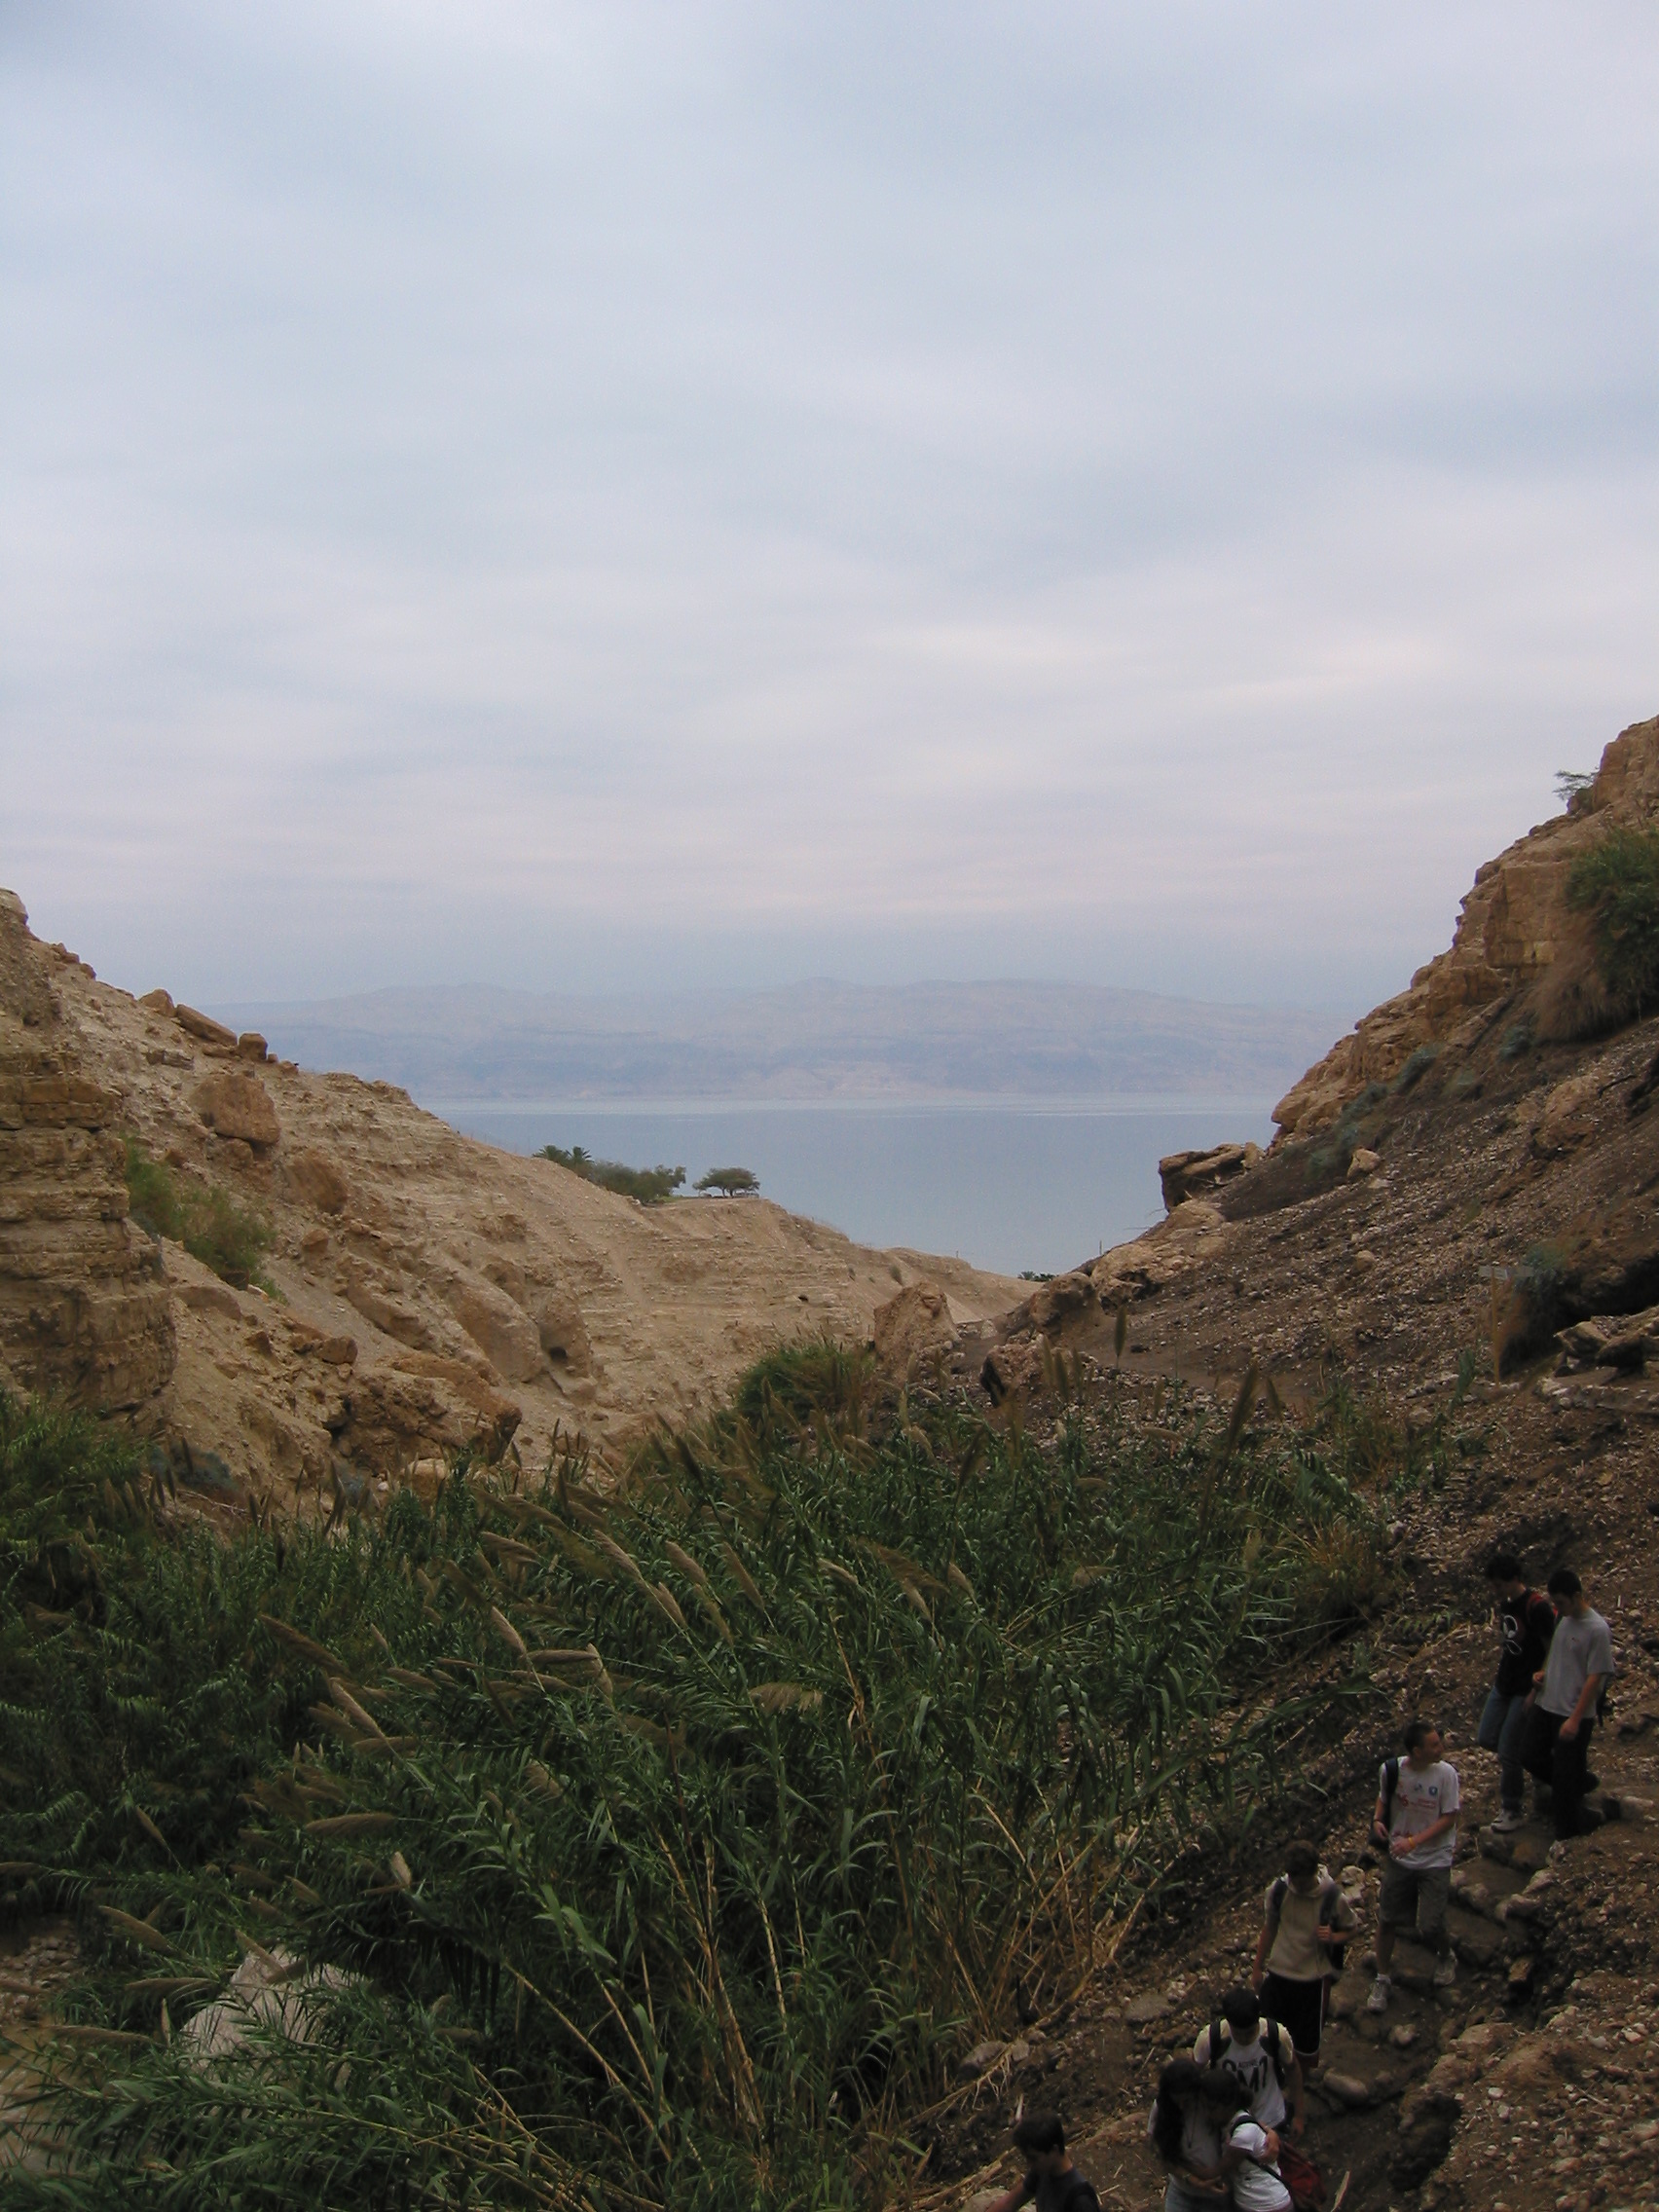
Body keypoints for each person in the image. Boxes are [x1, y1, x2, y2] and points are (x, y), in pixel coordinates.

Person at [1366, 1718, 1460, 2013]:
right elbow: (1383, 1800)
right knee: (1388, 1918)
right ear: (1417, 1751)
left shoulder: (1446, 1775)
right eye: (1434, 1744)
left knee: (1431, 1922)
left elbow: (1449, 1818)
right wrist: (1378, 1821)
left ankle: (1446, 1954)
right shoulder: (1392, 1771)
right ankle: (1382, 1978)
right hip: (1400, 1856)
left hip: (1435, 1857)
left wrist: (1415, 1841)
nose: (1440, 1748)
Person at [1524, 1567, 1617, 1842]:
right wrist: (1537, 1683)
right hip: (1548, 1702)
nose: (1559, 1608)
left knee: (1564, 1781)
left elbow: (1595, 1677)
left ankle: (1568, 1835)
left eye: (1562, 1603)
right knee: (1529, 1754)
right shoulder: (1563, 1620)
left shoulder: (1597, 1630)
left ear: (1577, 1596)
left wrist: (1576, 1718)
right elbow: (1554, 1655)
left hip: (1572, 1710)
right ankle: (1579, 1782)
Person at [1251, 1840, 1357, 2068]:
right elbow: (1269, 1927)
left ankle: (1297, 2089)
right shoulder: (1279, 1891)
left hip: (1312, 1981)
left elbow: (1352, 1929)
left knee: (1305, 2046)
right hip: (1279, 1974)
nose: (1297, 1887)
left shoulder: (1331, 1898)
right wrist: (1258, 1966)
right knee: (1268, 2039)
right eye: (1293, 1881)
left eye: (1302, 1883)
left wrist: (1333, 1937)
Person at [1478, 1550, 1557, 1832]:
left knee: (1508, 1752)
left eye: (1499, 1584)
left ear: (1513, 1579)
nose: (1496, 1591)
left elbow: (1552, 1651)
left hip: (1525, 1687)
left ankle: (1512, 1807)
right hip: (1505, 1682)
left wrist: (1538, 1689)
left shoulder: (1536, 1608)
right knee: (1487, 1736)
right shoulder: (1507, 1606)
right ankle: (1538, 1765)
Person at [1192, 1987, 1304, 2139]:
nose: (1244, 2039)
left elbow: (1292, 2069)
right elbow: (1193, 2074)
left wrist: (1298, 2115)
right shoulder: (1211, 2038)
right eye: (1238, 2033)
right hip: (1228, 2124)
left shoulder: (1275, 2035)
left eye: (1250, 2032)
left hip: (1271, 2119)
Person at [1147, 2060, 1240, 2210]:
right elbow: (1163, 2154)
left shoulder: (1210, 2105)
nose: (1182, 2106)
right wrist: (1192, 2179)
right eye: (1177, 2101)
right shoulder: (1163, 2109)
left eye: (1187, 2100)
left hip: (1216, 2196)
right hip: (1181, 2193)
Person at [982, 2112, 1102, 2212]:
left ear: (1054, 2150)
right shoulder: (1041, 2174)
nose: (1029, 2164)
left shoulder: (1080, 2199)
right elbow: (1009, 2203)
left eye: (1034, 2158)